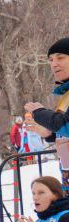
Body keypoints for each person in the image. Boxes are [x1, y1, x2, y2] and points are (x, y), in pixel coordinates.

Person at [24, 38, 69, 182]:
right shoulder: (65, 95)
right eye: (50, 60)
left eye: (60, 57)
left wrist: (40, 113)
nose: (54, 64)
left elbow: (66, 125)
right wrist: (50, 133)